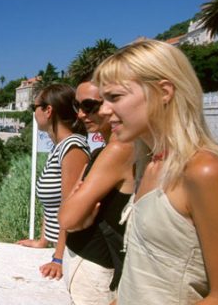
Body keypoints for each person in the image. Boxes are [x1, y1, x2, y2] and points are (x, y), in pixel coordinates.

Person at [93, 39, 218, 304]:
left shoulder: (203, 171)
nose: (104, 111)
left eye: (115, 97)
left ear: (164, 91)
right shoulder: (148, 163)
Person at [58, 77, 135, 304]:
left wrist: (77, 215)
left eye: (89, 106)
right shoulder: (103, 150)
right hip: (87, 265)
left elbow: (68, 218)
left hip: (96, 272)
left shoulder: (118, 149)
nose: (81, 114)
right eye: (77, 106)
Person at [17, 83, 90, 280]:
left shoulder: (72, 148)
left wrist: (58, 258)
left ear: (48, 110)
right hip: (59, 248)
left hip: (71, 254)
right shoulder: (59, 148)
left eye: (35, 108)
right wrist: (42, 241)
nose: (34, 113)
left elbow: (70, 205)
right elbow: (53, 204)